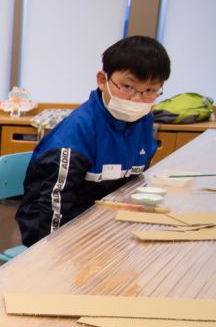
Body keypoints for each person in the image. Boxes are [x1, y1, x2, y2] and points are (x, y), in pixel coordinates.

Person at [16, 36, 170, 246]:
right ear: (102, 80)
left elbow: (133, 184)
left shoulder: (143, 122)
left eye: (150, 90)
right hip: (60, 228)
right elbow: (53, 209)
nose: (137, 99)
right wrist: (52, 255)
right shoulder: (75, 135)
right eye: (127, 87)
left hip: (106, 224)